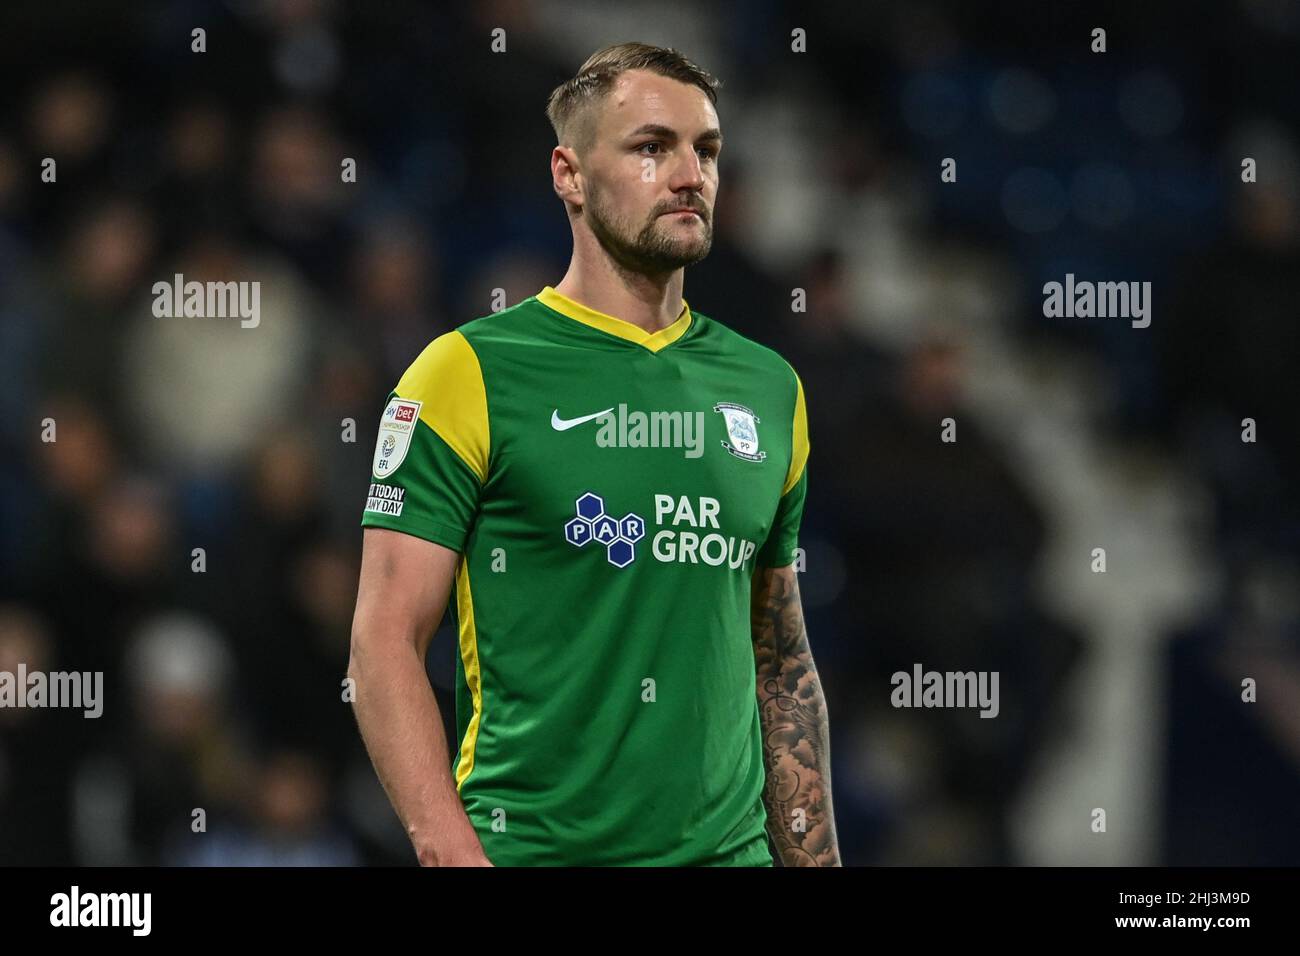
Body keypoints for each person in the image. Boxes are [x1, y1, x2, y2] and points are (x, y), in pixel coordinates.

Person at [348, 42, 839, 867]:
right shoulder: (467, 372)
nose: (690, 174)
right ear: (568, 175)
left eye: (706, 150)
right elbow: (384, 635)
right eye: (652, 148)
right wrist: (447, 849)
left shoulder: (769, 389)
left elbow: (780, 658)